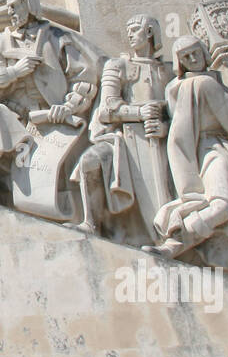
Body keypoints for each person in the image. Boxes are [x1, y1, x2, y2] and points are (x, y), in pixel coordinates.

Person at [0, 0, 97, 201]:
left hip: (48, 117)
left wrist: (68, 106)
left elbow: (84, 79)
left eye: (14, 7)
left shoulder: (56, 38)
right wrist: (15, 71)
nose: (10, 12)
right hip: (13, 116)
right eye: (8, 7)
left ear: (29, 6)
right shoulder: (1, 40)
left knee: (49, 192)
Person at [144, 36, 228, 260]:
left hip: (207, 152)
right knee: (222, 205)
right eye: (186, 57)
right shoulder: (200, 84)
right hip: (210, 149)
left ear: (204, 52)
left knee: (226, 206)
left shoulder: (198, 83)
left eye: (195, 53)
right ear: (180, 63)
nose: (192, 59)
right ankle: (176, 241)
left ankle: (177, 242)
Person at [72, 14, 174, 239]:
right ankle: (91, 223)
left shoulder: (168, 71)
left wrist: (166, 127)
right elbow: (108, 109)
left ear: (149, 32)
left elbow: (181, 112)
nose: (129, 34)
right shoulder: (117, 66)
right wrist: (139, 112)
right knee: (89, 161)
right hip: (121, 139)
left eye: (135, 29)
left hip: (161, 138)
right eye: (128, 29)